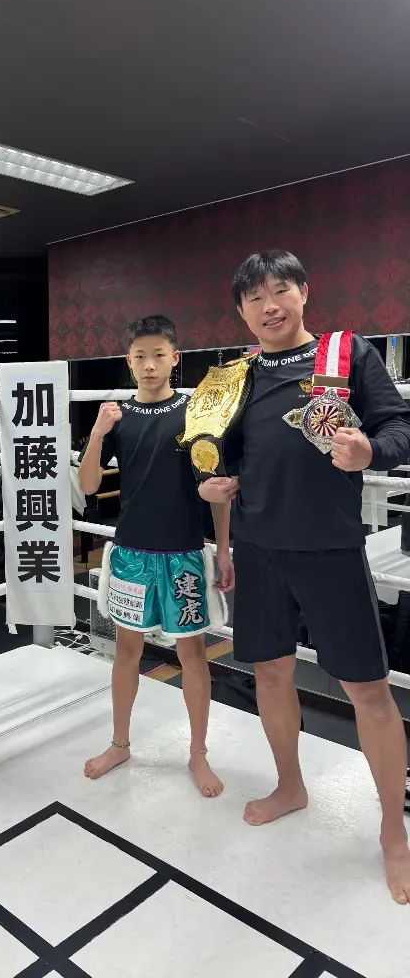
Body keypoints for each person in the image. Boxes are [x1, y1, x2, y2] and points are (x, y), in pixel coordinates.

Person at [200, 250, 410, 904]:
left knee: (368, 691)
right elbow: (218, 458)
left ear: (304, 292)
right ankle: (290, 785)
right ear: (240, 311)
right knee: (269, 673)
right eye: (254, 297)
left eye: (280, 290)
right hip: (259, 548)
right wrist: (213, 489)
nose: (270, 305)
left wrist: (370, 449)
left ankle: (393, 831)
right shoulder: (232, 375)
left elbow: (400, 426)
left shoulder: (346, 355)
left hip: (330, 547)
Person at [78, 315, 234, 795]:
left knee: (193, 654)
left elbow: (217, 487)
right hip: (131, 552)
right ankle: (120, 744)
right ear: (129, 362)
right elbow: (87, 486)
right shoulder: (118, 416)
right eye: (140, 357)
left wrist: (223, 549)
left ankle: (198, 754)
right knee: (126, 651)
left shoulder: (195, 415)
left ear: (174, 358)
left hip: (184, 550)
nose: (149, 365)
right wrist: (97, 433)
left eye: (158, 355)